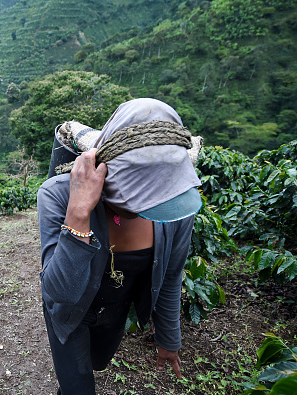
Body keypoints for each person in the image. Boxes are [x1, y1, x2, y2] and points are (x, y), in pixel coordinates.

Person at [37, 98, 202, 394]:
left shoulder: (175, 208)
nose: (145, 207)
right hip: (68, 312)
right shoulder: (57, 196)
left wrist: (169, 338)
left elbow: (170, 277)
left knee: (97, 362)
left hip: (114, 311)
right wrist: (78, 213)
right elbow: (57, 292)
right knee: (77, 386)